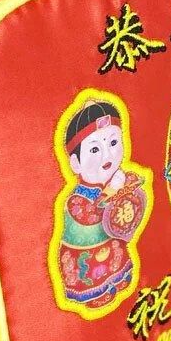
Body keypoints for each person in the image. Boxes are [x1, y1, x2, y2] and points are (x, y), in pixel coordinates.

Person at [58, 99, 147, 310]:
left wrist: (126, 188)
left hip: (114, 249)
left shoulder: (118, 179)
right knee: (96, 285)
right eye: (95, 149)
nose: (107, 155)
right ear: (75, 163)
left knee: (119, 274)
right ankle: (96, 293)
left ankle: (118, 278)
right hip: (85, 259)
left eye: (113, 143)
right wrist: (113, 191)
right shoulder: (77, 199)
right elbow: (93, 214)